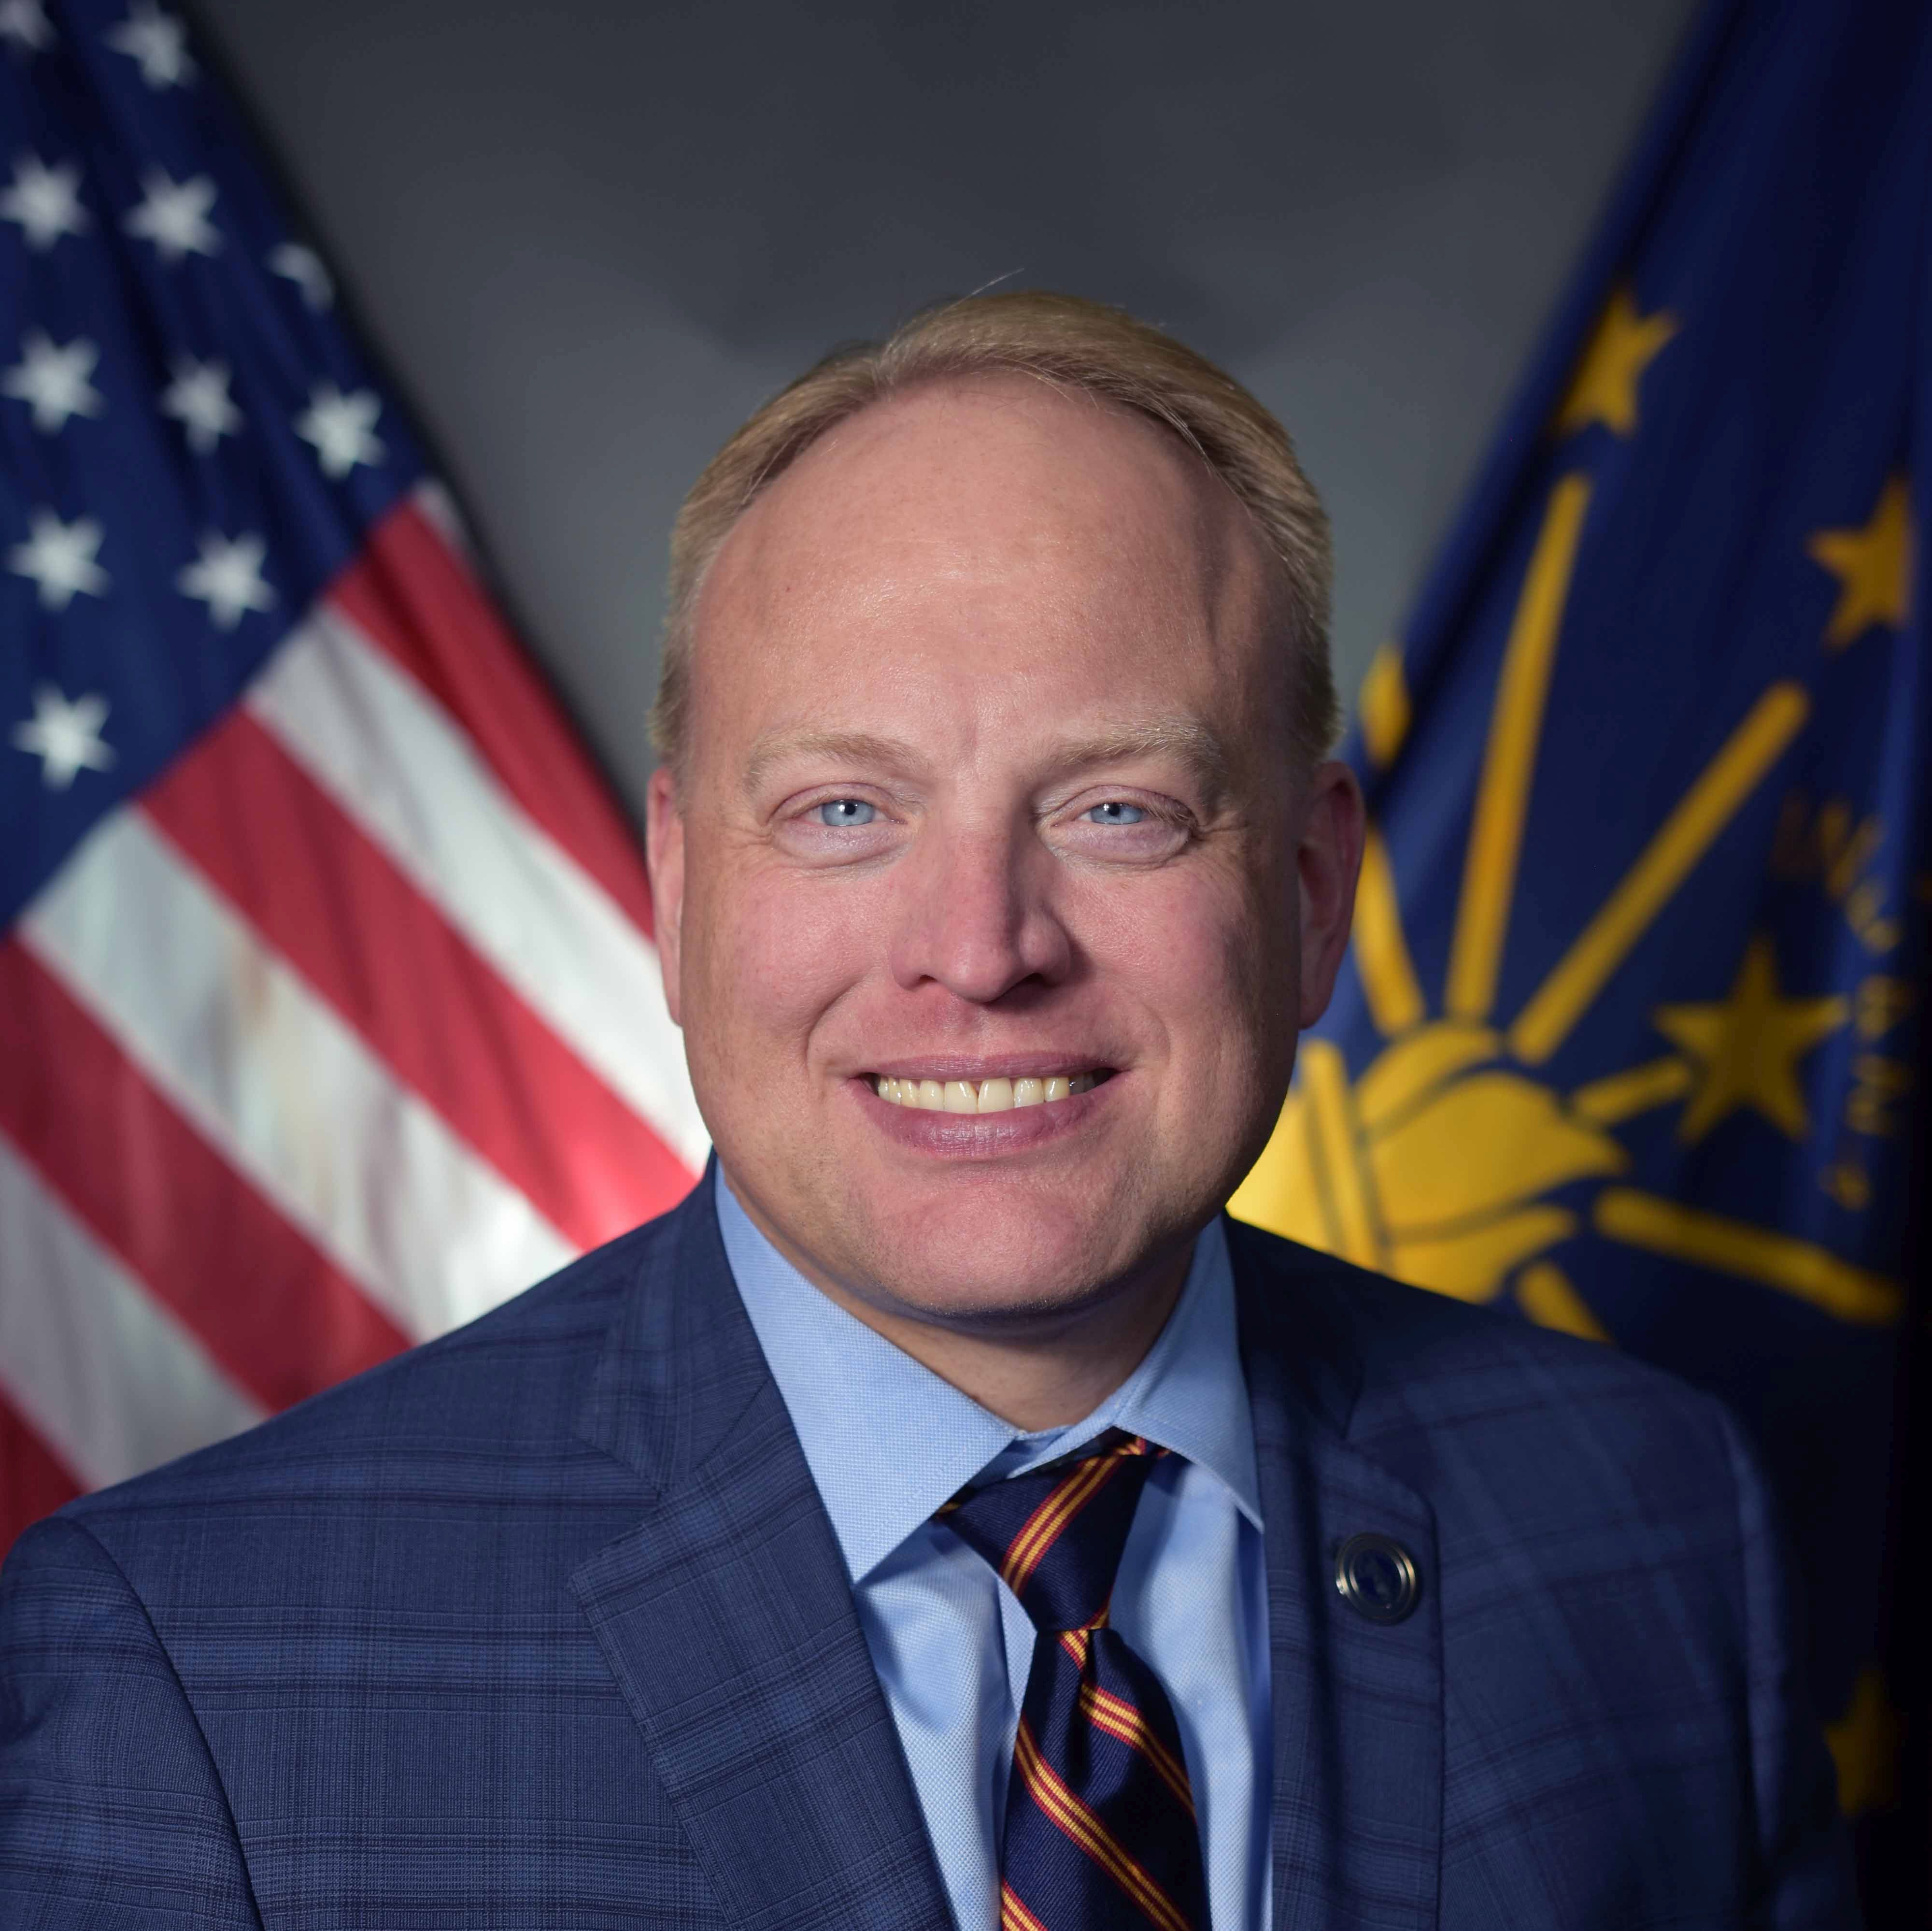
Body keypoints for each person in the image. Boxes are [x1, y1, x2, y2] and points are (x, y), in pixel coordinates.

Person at [0, 292, 1856, 1930]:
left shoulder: (1653, 1528)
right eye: (844, 811)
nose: (981, 950)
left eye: (1118, 809)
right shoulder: (201, 1672)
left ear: (1308, 891)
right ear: (675, 885)